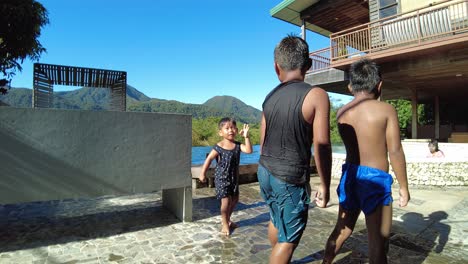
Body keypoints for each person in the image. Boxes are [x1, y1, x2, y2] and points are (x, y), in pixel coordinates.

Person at [322, 58, 410, 264]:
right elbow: (395, 151)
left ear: (350, 86)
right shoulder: (387, 110)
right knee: (379, 241)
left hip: (350, 176)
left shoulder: (341, 113)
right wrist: (403, 186)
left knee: (342, 230)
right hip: (375, 181)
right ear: (379, 85)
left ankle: (325, 262)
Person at [257, 35, 332, 264]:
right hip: (289, 176)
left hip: (265, 171)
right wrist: (325, 185)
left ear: (276, 67)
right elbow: (322, 144)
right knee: (288, 240)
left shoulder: (269, 97)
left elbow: (263, 139)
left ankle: (278, 256)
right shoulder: (316, 95)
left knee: (275, 219)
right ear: (308, 65)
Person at [199, 117, 252, 236]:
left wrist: (246, 137)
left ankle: (228, 219)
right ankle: (224, 224)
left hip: (234, 178)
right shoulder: (219, 146)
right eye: (227, 128)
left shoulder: (238, 145)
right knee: (226, 202)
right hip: (222, 178)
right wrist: (202, 173)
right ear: (220, 132)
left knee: (235, 200)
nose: (230, 130)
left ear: (237, 130)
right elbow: (209, 159)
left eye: (233, 128)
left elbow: (248, 150)